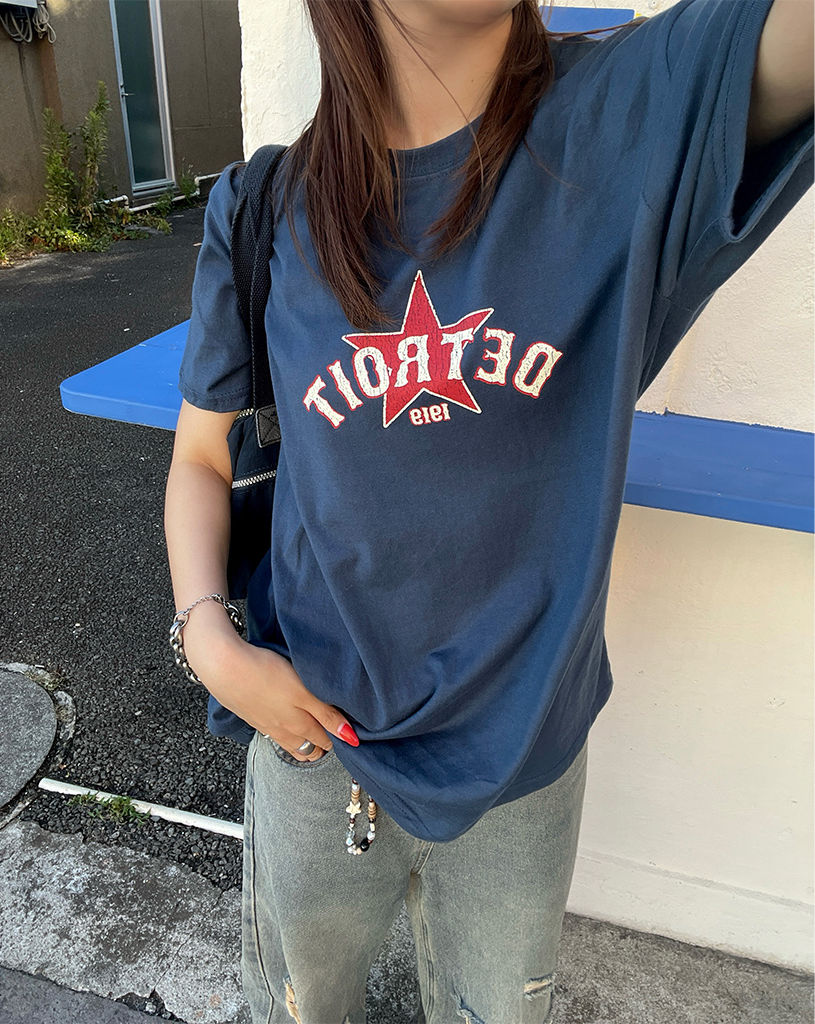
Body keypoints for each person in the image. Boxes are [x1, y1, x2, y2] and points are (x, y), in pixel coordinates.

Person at [164, 1, 813, 1021]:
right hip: (309, 739)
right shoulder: (265, 205)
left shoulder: (632, 118)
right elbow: (202, 456)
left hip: (522, 772)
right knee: (294, 1006)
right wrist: (208, 640)